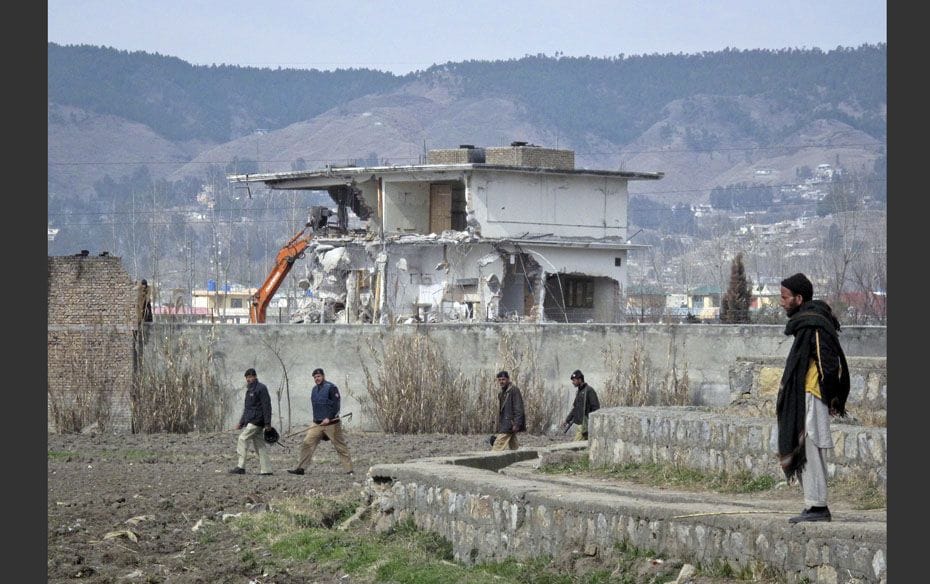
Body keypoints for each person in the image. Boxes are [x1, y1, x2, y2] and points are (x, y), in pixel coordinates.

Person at [776, 273, 850, 524]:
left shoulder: (814, 323)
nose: (782, 302)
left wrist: (832, 399)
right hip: (806, 394)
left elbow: (828, 363)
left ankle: (818, 506)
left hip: (813, 394)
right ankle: (813, 504)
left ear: (799, 298)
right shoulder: (807, 322)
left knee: (810, 448)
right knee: (807, 448)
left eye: (785, 297)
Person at [288, 368, 354, 475]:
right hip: (317, 424)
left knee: (340, 446)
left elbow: (336, 405)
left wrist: (329, 417)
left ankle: (349, 470)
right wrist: (317, 420)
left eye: (318, 376)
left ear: (323, 376)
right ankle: (301, 469)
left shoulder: (331, 388)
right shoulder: (314, 390)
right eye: (315, 377)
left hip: (332, 424)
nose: (317, 379)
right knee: (307, 443)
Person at [229, 368, 274, 475]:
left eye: (250, 377)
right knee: (260, 446)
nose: (248, 379)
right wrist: (241, 422)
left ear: (255, 376)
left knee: (242, 438)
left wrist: (267, 423)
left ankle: (241, 467)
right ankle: (266, 470)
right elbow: (247, 408)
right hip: (252, 420)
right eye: (247, 377)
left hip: (257, 421)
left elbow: (267, 406)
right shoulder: (249, 390)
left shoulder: (261, 388)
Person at [561, 369, 600, 441]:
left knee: (576, 445)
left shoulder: (589, 391)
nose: (573, 382)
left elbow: (596, 409)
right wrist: (567, 420)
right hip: (581, 425)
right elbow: (575, 408)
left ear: (580, 379)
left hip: (586, 425)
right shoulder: (580, 391)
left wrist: (591, 424)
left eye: (574, 380)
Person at [491, 371, 525, 451]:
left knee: (497, 445)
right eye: (499, 380)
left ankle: (491, 461)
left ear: (508, 379)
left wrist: (517, 423)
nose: (501, 382)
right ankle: (518, 460)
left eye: (503, 379)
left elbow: (518, 408)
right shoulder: (502, 392)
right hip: (506, 422)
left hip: (510, 423)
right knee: (514, 446)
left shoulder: (514, 390)